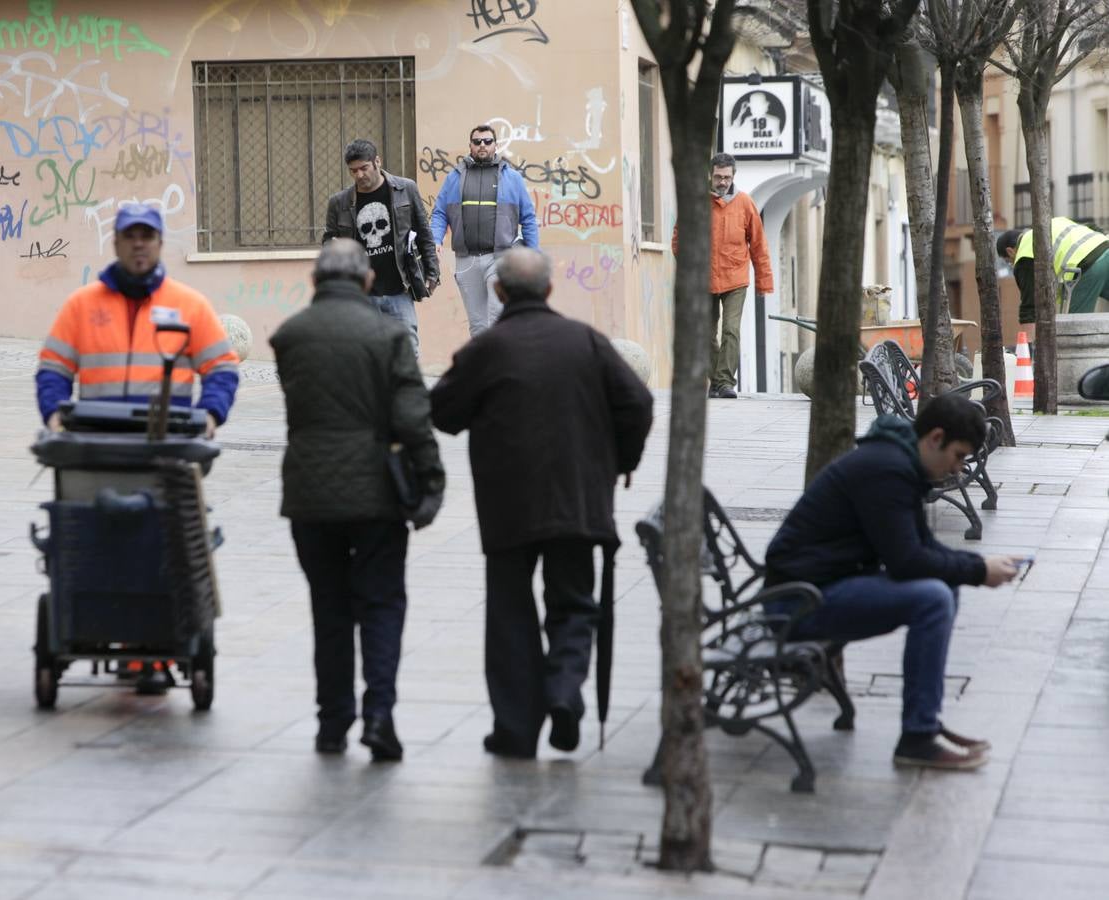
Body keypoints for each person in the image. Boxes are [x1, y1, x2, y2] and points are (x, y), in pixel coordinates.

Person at [429, 248, 653, 759]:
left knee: (510, 610)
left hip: (507, 503)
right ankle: (564, 689)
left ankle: (515, 728)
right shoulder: (586, 341)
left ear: (498, 291)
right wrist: (621, 461)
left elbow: (442, 412)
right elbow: (638, 403)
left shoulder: (488, 349)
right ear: (549, 290)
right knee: (574, 603)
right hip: (578, 498)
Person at [763, 394, 1022, 770]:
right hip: (795, 603)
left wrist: (978, 564)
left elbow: (922, 548)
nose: (957, 469)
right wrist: (980, 572)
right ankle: (917, 737)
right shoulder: (887, 471)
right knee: (933, 597)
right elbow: (907, 562)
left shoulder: (897, 462)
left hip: (817, 587)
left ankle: (924, 720)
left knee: (943, 589)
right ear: (935, 438)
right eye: (958, 456)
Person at [271, 238, 445, 763]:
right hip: (376, 496)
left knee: (328, 607)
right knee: (381, 603)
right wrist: (430, 481)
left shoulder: (290, 336)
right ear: (368, 280)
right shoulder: (388, 335)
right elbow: (412, 417)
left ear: (316, 281)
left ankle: (332, 723)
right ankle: (379, 715)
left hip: (309, 493)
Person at [36, 202, 239, 434]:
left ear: (160, 243)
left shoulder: (191, 306)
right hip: (96, 437)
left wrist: (209, 415)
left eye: (147, 236)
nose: (138, 244)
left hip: (167, 437)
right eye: (129, 236)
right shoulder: (81, 305)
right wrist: (55, 415)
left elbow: (222, 367)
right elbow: (53, 368)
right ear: (115, 243)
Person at [322, 139, 439, 356]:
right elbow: (328, 242)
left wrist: (433, 272)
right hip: (360, 294)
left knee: (406, 352)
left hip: (399, 289)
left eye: (364, 168)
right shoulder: (339, 202)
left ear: (377, 161)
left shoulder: (406, 189)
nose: (359, 175)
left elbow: (424, 232)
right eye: (353, 171)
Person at [672, 153, 773, 399]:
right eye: (718, 177)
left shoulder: (745, 203)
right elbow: (678, 240)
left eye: (727, 177)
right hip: (704, 279)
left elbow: (759, 246)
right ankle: (717, 381)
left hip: (735, 278)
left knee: (731, 330)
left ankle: (725, 382)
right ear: (710, 175)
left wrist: (763, 283)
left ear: (733, 176)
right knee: (705, 333)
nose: (722, 182)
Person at [428, 124, 539, 337]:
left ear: (495, 145)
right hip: (466, 259)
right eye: (477, 141)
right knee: (477, 324)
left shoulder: (512, 178)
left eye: (487, 141)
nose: (482, 145)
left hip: (501, 257)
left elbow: (528, 218)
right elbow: (440, 212)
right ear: (470, 145)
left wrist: (534, 255)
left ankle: (501, 357)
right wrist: (436, 239)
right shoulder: (454, 177)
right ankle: (484, 358)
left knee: (497, 316)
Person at [998, 217, 1109, 325]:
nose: (1012, 264)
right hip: (1106, 249)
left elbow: (1031, 305)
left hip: (1088, 265)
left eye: (1009, 261)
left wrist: (1029, 333)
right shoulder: (1052, 223)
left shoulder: (1024, 254)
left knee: (1075, 326)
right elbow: (1091, 227)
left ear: (1010, 251)